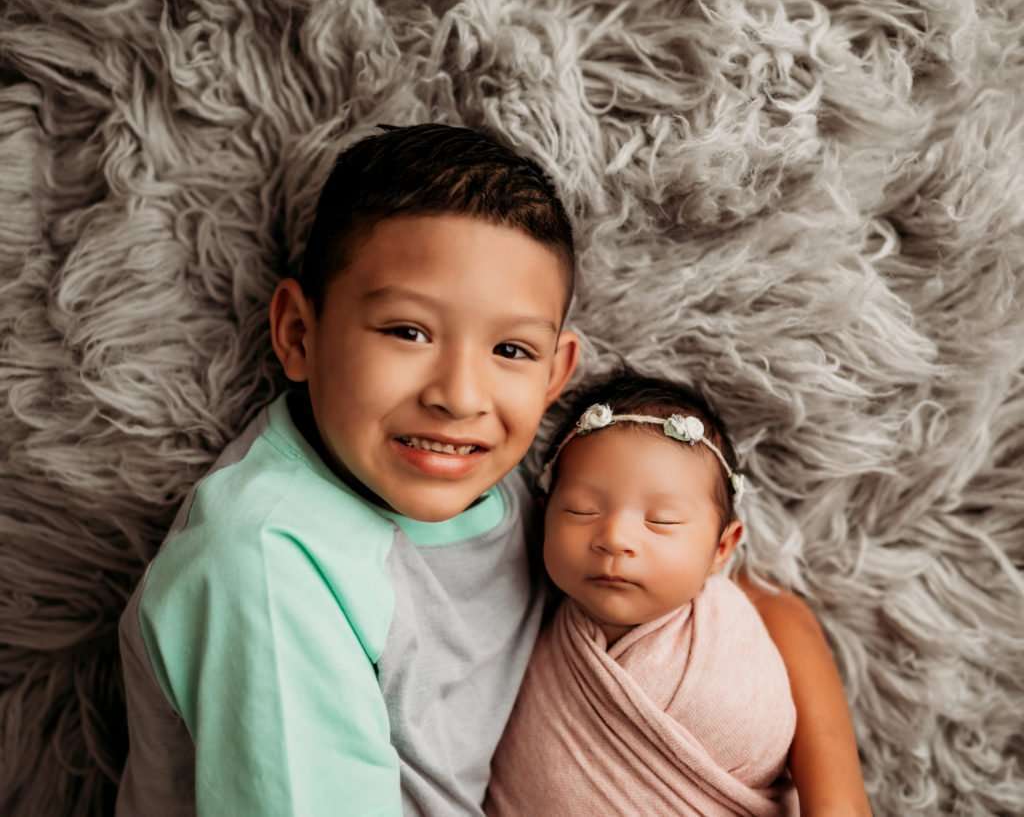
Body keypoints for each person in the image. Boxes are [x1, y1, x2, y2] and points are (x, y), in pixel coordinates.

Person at [116, 123, 869, 817]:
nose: (458, 397)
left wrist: (837, 795)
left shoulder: (500, 486)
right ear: (298, 333)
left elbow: (765, 605)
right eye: (408, 331)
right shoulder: (267, 567)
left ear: (555, 373)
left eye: (509, 350)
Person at [487, 372, 801, 815]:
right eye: (582, 510)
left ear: (722, 548)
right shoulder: (526, 633)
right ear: (543, 518)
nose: (614, 537)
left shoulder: (730, 648)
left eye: (662, 521)